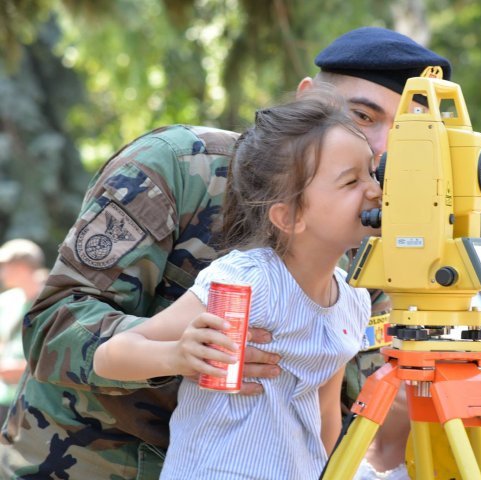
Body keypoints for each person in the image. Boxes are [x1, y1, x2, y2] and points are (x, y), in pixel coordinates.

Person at [0, 26, 452, 479]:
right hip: (84, 463)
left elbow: (339, 401)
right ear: (306, 98)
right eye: (362, 117)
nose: (379, 149)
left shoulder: (369, 228)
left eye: (407, 132)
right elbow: (52, 326)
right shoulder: (178, 166)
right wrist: (186, 350)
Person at [92, 90, 379, 479]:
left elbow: (325, 412)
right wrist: (178, 355)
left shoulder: (353, 298)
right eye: (351, 181)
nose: (375, 191)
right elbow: (111, 355)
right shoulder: (249, 281)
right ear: (289, 216)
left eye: (371, 174)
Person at [0, 240, 47, 421]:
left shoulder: (51, 302)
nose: (2, 271)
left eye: (5, 265)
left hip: (36, 399)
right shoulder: (6, 301)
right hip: (5, 397)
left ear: (21, 267)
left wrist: (26, 369)